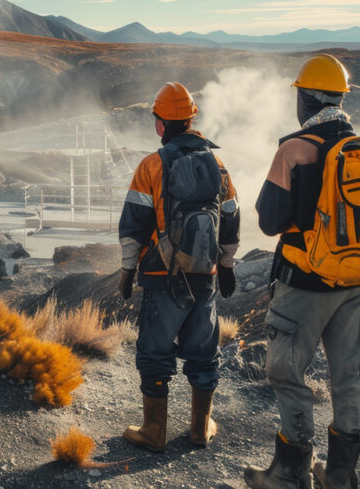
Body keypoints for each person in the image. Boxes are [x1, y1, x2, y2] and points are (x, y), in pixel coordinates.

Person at [246, 54, 360, 489]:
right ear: (340, 97)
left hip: (306, 282)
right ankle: (341, 474)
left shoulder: (294, 149)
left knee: (287, 371)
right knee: (347, 372)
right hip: (355, 280)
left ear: (304, 98)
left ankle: (289, 472)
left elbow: (269, 221)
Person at [118, 81, 241, 451]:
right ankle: (200, 429)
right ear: (191, 119)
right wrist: (228, 265)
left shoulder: (151, 165)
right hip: (205, 275)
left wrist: (127, 271)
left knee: (155, 352)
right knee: (204, 352)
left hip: (160, 275)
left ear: (160, 124)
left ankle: (153, 431)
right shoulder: (216, 164)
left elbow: (133, 225)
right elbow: (232, 218)